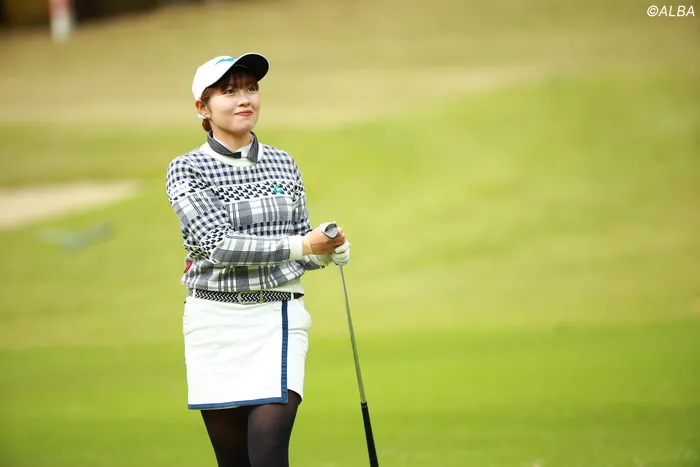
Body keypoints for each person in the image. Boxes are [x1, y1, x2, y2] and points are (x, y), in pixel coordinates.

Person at [165, 53, 351, 467]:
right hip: (214, 324)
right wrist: (305, 246)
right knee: (234, 460)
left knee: (268, 452)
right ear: (202, 108)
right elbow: (218, 245)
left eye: (251, 88)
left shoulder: (283, 163)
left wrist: (328, 250)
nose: (244, 99)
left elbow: (301, 247)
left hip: (279, 319)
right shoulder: (186, 170)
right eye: (229, 91)